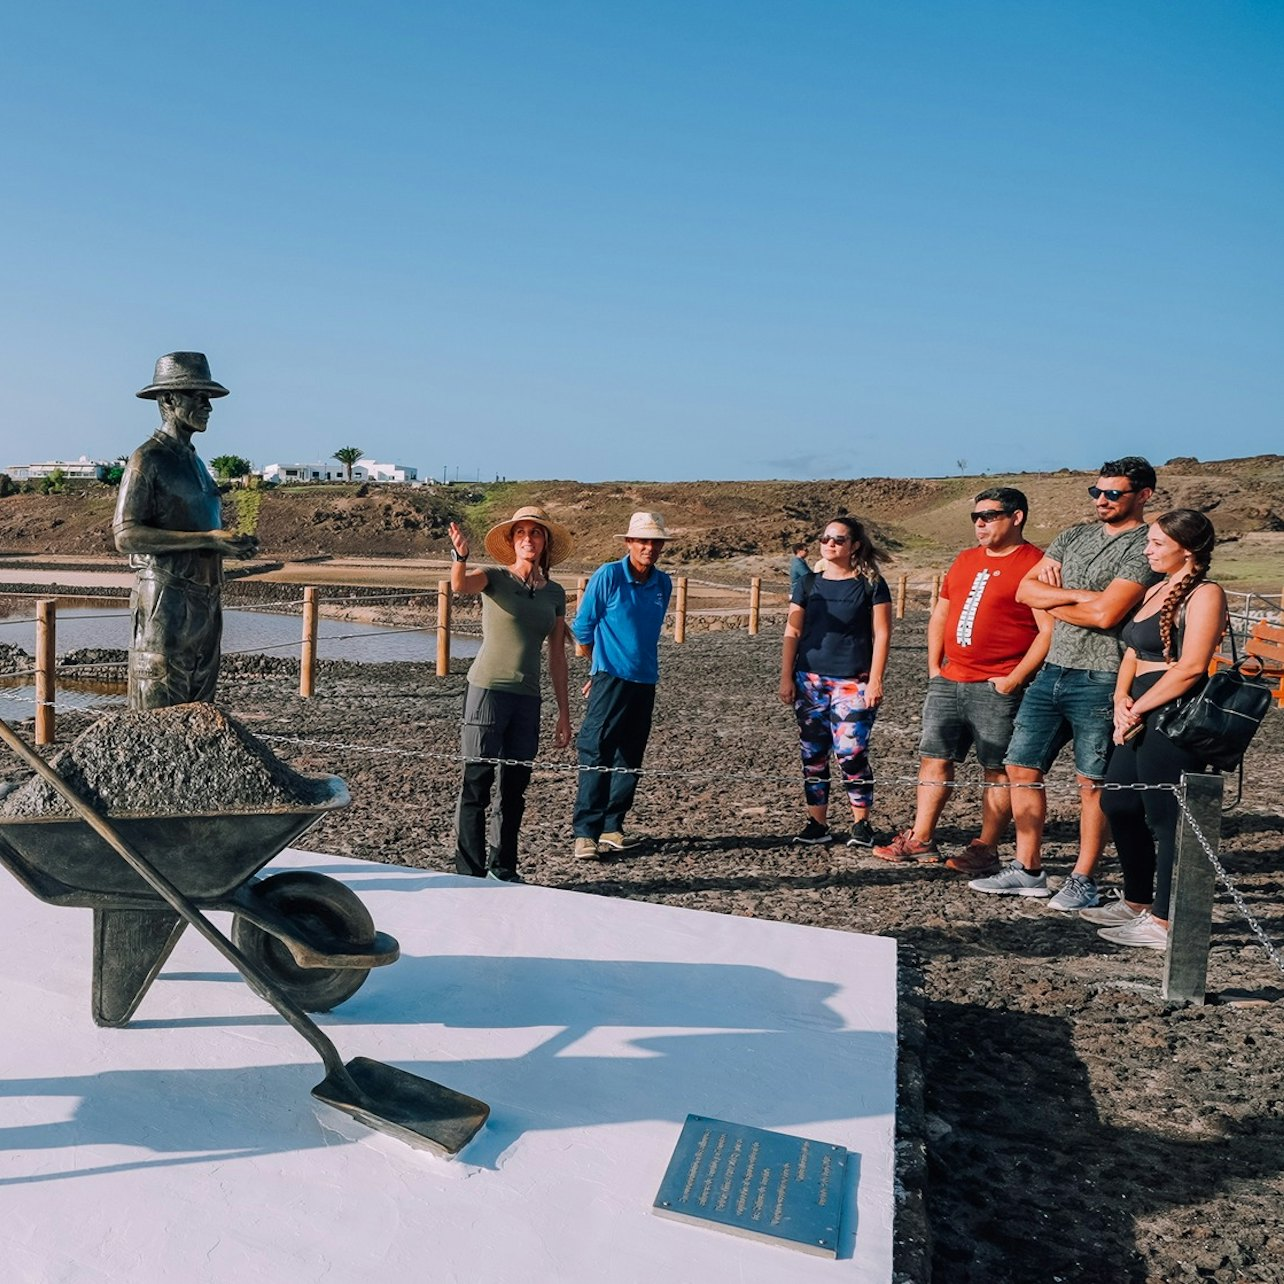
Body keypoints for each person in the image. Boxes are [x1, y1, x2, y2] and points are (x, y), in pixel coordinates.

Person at [970, 457, 1161, 908]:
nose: (1102, 500)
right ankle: (1028, 867)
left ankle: (1083, 877)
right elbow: (1024, 591)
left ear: (1144, 495)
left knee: (1090, 781)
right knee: (1021, 766)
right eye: (1097, 492)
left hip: (1104, 673)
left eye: (1113, 493)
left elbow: (1108, 615)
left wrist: (1057, 599)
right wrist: (1082, 599)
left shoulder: (1145, 545)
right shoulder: (1073, 535)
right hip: (1052, 668)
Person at [873, 488, 1052, 871]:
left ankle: (985, 847)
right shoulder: (966, 559)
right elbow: (942, 613)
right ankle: (920, 838)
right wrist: (934, 668)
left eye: (989, 516)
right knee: (934, 759)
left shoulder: (1035, 563)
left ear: (1016, 517)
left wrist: (1014, 679)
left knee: (997, 768)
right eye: (976, 517)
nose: (980, 524)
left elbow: (1047, 631)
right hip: (949, 680)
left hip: (997, 685)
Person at [1084, 511, 1227, 950]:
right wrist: (1119, 700)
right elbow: (1132, 650)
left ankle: (1165, 921)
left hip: (1172, 711)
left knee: (1166, 817)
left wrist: (1139, 708)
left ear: (1187, 549)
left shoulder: (1205, 594)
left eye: (1157, 544)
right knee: (1119, 801)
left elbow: (1190, 668)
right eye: (1149, 542)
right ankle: (1136, 901)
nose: (1147, 550)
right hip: (1137, 704)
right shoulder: (1154, 589)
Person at [113, 352, 259, 711]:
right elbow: (125, 535)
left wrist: (228, 546)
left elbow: (198, 527)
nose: (208, 406)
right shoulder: (147, 459)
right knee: (158, 704)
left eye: (208, 397)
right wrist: (208, 540)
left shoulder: (194, 462)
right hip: (166, 599)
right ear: (168, 400)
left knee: (199, 704)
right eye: (198, 396)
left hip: (206, 599)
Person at [447, 506, 573, 882]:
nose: (528, 539)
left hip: (527, 698)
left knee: (515, 789)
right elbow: (459, 585)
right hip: (486, 690)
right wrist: (460, 557)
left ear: (545, 541)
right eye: (521, 533)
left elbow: (556, 656)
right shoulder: (494, 578)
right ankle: (468, 871)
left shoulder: (555, 593)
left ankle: (504, 867)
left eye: (536, 533)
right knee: (477, 783)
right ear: (512, 541)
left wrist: (564, 713)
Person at [779, 515, 892, 847]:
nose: (829, 544)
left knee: (850, 752)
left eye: (838, 539)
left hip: (853, 682)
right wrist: (786, 677)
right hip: (810, 681)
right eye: (825, 538)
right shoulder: (807, 585)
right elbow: (793, 631)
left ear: (854, 546)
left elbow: (882, 634)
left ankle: (861, 824)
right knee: (813, 753)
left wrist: (876, 680)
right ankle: (817, 823)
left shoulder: (870, 584)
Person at [570, 511, 673, 858]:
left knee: (630, 755)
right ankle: (586, 832)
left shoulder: (663, 584)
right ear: (628, 543)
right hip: (610, 677)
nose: (648, 547)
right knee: (596, 748)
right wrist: (598, 670)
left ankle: (613, 827)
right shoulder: (609, 576)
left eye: (654, 542)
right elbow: (582, 629)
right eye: (642, 541)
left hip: (645, 680)